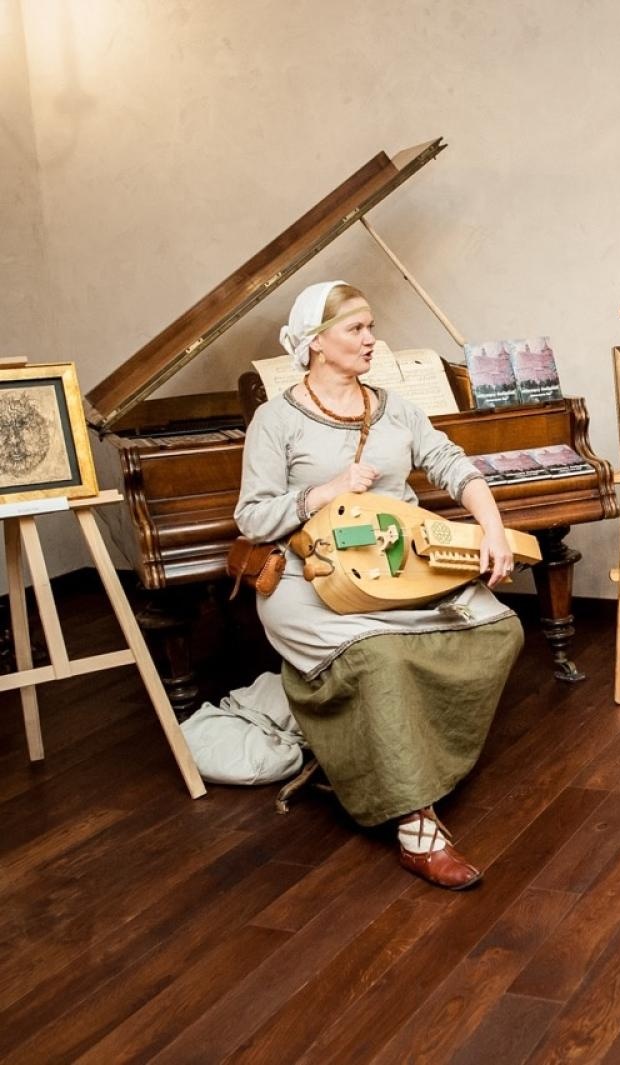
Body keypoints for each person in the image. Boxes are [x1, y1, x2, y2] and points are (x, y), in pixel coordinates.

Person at [236, 281, 524, 891]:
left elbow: (453, 465)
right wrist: (323, 492)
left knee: (501, 628)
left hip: (402, 569)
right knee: (381, 656)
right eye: (356, 329)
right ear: (316, 344)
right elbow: (253, 517)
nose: (372, 339)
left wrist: (492, 529)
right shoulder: (275, 419)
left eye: (371, 326)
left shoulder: (395, 407)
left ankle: (421, 752)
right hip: (313, 580)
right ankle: (416, 822)